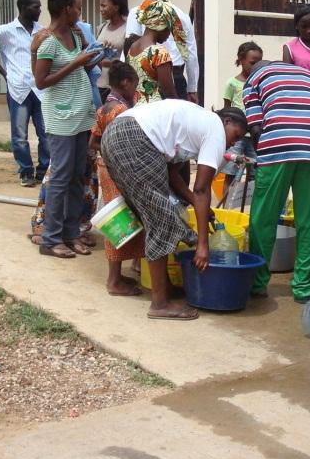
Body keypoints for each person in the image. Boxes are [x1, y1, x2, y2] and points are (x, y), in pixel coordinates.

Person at [102, 101, 247, 320]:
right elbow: (201, 189)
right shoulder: (216, 129)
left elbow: (172, 174)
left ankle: (162, 288)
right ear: (227, 121)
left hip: (115, 135)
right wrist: (202, 246)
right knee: (161, 221)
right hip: (136, 139)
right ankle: (159, 304)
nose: (232, 144)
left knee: (149, 214)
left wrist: (199, 206)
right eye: (235, 135)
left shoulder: (197, 123)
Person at [243, 60, 310, 303]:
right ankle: (303, 287)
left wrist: (262, 158)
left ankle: (258, 283)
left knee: (263, 217)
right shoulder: (309, 75)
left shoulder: (254, 80)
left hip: (277, 145)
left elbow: (256, 126)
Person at [31, 0, 103, 259]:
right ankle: (50, 239)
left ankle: (71, 233)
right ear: (65, 10)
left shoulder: (76, 35)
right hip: (61, 117)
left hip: (81, 114)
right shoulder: (48, 42)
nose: (80, 13)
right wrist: (76, 63)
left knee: (76, 177)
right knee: (60, 178)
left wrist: (91, 58)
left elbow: (80, 68)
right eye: (77, 8)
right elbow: (42, 82)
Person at [0, 0, 49, 187]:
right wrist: (5, 73)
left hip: (39, 89)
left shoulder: (42, 31)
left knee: (45, 133)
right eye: (35, 7)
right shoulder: (6, 30)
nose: (39, 10)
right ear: (23, 8)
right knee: (19, 135)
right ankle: (26, 171)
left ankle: (43, 171)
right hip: (18, 88)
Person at [89, 61, 144, 297]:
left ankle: (121, 273)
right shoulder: (119, 111)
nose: (136, 91)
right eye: (134, 85)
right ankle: (113, 281)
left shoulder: (107, 107)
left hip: (107, 166)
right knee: (119, 221)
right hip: (116, 170)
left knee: (124, 218)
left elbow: (93, 142)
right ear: (125, 82)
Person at [126, 0, 199, 102]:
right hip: (176, 77)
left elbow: (128, 46)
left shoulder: (138, 12)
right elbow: (191, 54)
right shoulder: (181, 15)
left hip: (144, 78)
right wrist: (192, 89)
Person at [220, 41, 263, 191]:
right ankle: (227, 210)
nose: (255, 66)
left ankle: (251, 208)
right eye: (252, 62)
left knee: (255, 174)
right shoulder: (231, 84)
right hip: (236, 138)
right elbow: (227, 110)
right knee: (230, 172)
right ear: (241, 59)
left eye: (259, 62)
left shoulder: (260, 83)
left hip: (254, 135)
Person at [125, 0, 178, 105]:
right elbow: (169, 92)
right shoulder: (159, 52)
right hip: (155, 110)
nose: (169, 34)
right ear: (160, 25)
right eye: (169, 29)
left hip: (136, 108)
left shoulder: (132, 48)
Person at [96, 0, 130, 101]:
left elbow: (130, 59)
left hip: (117, 87)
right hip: (99, 85)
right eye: (100, 5)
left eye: (104, 6)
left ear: (116, 7)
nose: (101, 9)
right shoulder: (102, 28)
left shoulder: (128, 30)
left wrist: (110, 63)